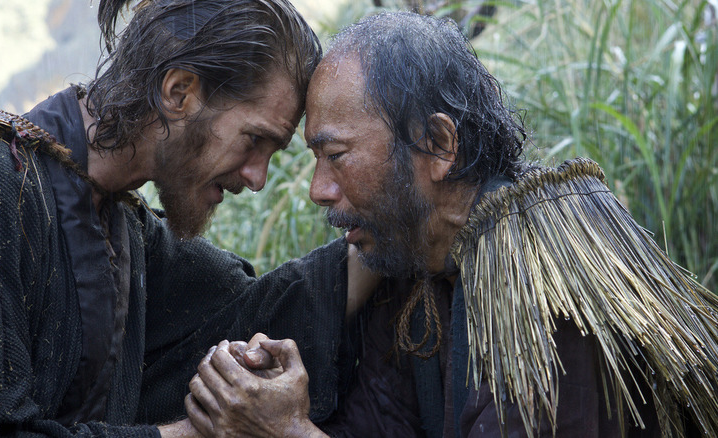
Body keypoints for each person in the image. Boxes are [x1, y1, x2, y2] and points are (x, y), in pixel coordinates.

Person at [185, 11, 718, 438]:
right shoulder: (417, 266)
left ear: (438, 145)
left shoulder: (546, 283)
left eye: (337, 155)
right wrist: (272, 401)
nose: (317, 189)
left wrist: (287, 433)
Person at [0, 0, 376, 436]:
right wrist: (200, 430)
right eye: (254, 139)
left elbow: (258, 307)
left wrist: (392, 218)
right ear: (179, 92)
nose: (257, 177)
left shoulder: (124, 224)